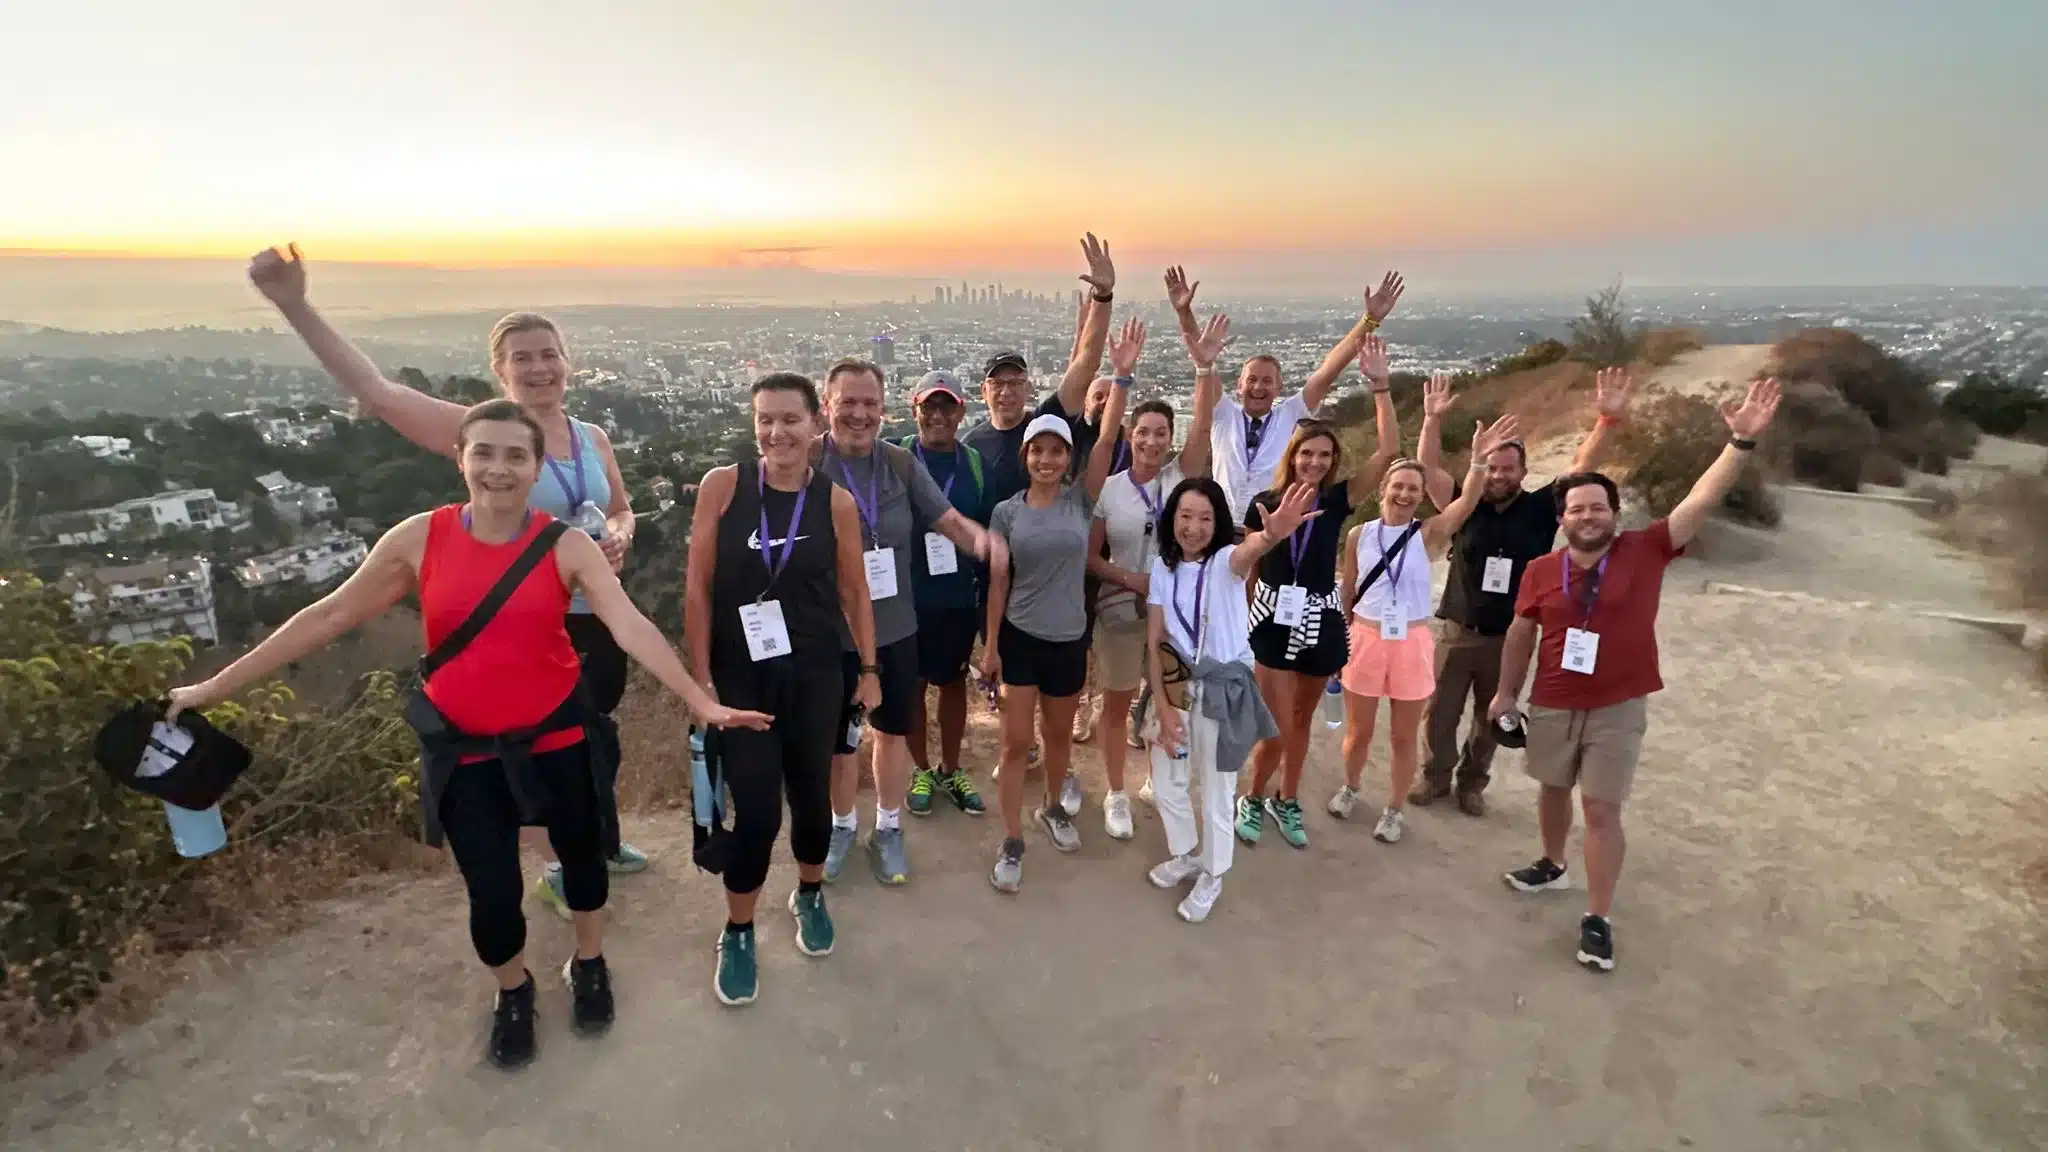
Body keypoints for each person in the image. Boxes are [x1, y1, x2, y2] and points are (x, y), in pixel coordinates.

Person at [164, 400, 771, 1067]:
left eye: (516, 455)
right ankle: (513, 989)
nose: (498, 468)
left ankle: (589, 961)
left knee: (586, 866)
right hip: (464, 751)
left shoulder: (564, 545)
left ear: (536, 468)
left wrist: (696, 697)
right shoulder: (421, 538)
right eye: (484, 452)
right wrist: (212, 688)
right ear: (461, 458)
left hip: (558, 738)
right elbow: (328, 615)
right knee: (491, 893)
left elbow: (628, 624)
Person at [244, 244, 652, 917]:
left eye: (548, 353)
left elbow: (621, 506)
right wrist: (295, 304)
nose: (539, 366)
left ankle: (596, 840)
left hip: (595, 616)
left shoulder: (592, 436)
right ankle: (557, 865)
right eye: (522, 357)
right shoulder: (481, 434)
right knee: (531, 748)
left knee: (589, 736)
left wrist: (623, 533)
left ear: (566, 362)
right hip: (523, 628)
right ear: (499, 371)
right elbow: (377, 393)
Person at [1491, 378, 1781, 973]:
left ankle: (1597, 918)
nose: (1588, 516)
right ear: (1564, 519)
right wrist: (1504, 693)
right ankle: (1551, 864)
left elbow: (1698, 502)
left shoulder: (1645, 550)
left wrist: (1739, 445)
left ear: (1614, 515)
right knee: (1550, 788)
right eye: (1577, 509)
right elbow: (1522, 632)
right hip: (1551, 699)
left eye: (1598, 507)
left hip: (1617, 706)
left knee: (1601, 809)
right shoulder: (1542, 570)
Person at [685, 373, 881, 1007]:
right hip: (742, 678)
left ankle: (811, 891)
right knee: (759, 811)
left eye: (790, 419)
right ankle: (738, 929)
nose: (777, 433)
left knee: (812, 799)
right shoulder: (724, 488)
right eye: (765, 420)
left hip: (817, 673)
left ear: (814, 424)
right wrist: (700, 683)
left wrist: (871, 670)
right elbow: (698, 588)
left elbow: (855, 592)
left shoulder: (834, 503)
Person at [1405, 366, 1636, 816]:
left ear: (1523, 471)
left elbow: (1582, 467)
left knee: (1490, 717)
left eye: (1508, 469)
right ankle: (1435, 777)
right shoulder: (1465, 501)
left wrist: (1605, 422)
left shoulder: (1539, 508)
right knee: (1439, 713)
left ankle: (1472, 783)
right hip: (1458, 627)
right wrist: (1431, 419)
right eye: (1492, 467)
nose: (1498, 475)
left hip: (1512, 634)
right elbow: (1428, 468)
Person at [813, 359, 1004, 886]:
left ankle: (890, 828)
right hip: (829, 633)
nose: (859, 414)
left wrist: (984, 544)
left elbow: (945, 518)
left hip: (896, 626)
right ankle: (842, 825)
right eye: (847, 402)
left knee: (891, 733)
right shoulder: (807, 461)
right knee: (838, 741)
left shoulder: (898, 464)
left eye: (869, 404)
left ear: (883, 408)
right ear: (826, 405)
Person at [979, 318, 1138, 891]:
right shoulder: (1006, 513)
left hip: (1069, 637)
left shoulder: (1081, 500)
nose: (1047, 459)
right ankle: (1012, 837)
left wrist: (1119, 376)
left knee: (1057, 739)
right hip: (1020, 638)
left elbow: (1108, 436)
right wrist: (992, 648)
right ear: (1025, 456)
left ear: (1067, 457)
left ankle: (1051, 808)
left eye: (1056, 451)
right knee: (1016, 743)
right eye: (1037, 450)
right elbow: (998, 585)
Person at [1329, 392, 1522, 844]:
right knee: (1357, 733)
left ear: (1421, 498)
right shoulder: (1360, 534)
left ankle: (1394, 809)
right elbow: (1350, 586)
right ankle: (1351, 786)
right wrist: (1341, 638)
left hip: (1412, 642)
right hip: (1366, 637)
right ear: (1383, 491)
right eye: (1397, 486)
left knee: (1401, 737)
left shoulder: (1431, 534)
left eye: (1413, 490)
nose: (1403, 493)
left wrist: (1476, 464)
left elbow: (1467, 503)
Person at [1234, 338, 1403, 849]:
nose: (1314, 462)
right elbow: (1247, 567)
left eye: (1323, 455)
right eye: (1306, 453)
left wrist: (1380, 387)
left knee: (1302, 717)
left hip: (1320, 616)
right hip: (1271, 618)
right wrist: (1245, 624)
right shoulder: (1264, 502)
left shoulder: (1337, 500)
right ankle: (1254, 795)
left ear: (1332, 461)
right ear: (1293, 455)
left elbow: (1390, 452)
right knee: (1275, 718)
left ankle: (1286, 799)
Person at [1144, 478, 1312, 922]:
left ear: (1218, 523)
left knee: (1218, 789)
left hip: (1223, 689)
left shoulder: (1224, 562)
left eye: (1204, 518)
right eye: (1184, 516)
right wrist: (1161, 704)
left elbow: (1247, 552)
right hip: (1176, 684)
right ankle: (1186, 853)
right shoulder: (1162, 566)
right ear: (1171, 518)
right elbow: (1155, 637)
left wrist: (1272, 534)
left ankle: (1214, 873)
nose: (1193, 527)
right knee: (1167, 779)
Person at [1085, 312, 1225, 838]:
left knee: (1169, 701)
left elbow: (1204, 428)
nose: (1151, 440)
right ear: (1130, 434)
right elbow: (1091, 558)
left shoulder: (1179, 479)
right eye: (1142, 432)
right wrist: (1132, 581)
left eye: (1161, 432)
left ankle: (1156, 782)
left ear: (1170, 438)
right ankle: (1116, 793)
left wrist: (1203, 369)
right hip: (1122, 610)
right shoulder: (1111, 488)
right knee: (1118, 703)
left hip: (1177, 617)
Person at [1165, 264, 1406, 527]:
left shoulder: (1291, 413)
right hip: (1221, 529)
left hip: (1272, 527)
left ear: (1279, 388)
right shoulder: (1224, 413)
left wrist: (1369, 321)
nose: (1258, 387)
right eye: (1252, 380)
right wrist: (1184, 313)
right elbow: (1202, 355)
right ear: (1239, 386)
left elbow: (1329, 369)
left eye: (1267, 381)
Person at [895, 370, 991, 819]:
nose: (937, 415)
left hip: (955, 598)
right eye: (928, 407)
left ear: (961, 411)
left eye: (946, 406)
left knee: (953, 684)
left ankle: (950, 768)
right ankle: (920, 770)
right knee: (911, 688)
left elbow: (986, 531)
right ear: (914, 410)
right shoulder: (896, 461)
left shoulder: (973, 465)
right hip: (904, 598)